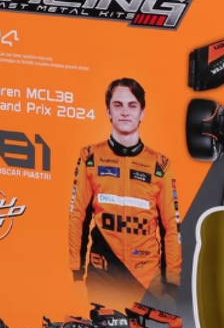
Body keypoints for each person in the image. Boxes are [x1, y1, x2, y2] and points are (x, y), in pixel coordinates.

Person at [69, 77, 181, 307]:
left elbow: (171, 226)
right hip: (103, 275)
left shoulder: (159, 165)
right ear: (108, 111)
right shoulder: (90, 158)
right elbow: (77, 216)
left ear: (142, 113)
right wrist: (76, 274)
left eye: (132, 105)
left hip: (146, 279)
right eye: (118, 105)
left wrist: (172, 284)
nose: (125, 112)